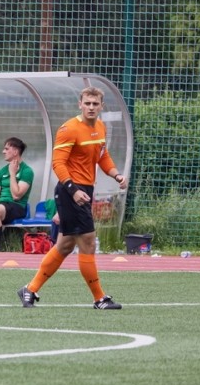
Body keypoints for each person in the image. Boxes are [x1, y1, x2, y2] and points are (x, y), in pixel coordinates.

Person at [18, 86, 129, 309]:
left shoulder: (100, 127)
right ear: (80, 104)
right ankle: (99, 298)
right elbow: (58, 163)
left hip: (85, 190)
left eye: (95, 104)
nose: (91, 107)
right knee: (88, 241)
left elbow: (102, 156)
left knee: (65, 245)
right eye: (87, 103)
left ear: (101, 106)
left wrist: (116, 174)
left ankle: (30, 289)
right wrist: (73, 190)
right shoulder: (69, 129)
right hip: (70, 191)